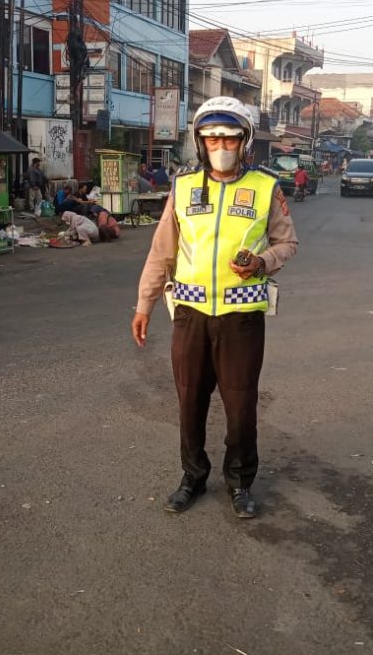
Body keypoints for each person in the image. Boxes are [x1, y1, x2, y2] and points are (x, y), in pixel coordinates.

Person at [132, 96, 299, 520]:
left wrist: (262, 263)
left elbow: (287, 243)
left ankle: (240, 481)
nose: (220, 146)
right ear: (199, 142)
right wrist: (144, 305)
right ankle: (192, 476)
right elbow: (161, 252)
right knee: (189, 401)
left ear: (244, 142)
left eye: (229, 138)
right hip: (189, 314)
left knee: (241, 404)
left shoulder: (266, 187)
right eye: (211, 139)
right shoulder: (184, 187)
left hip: (241, 317)